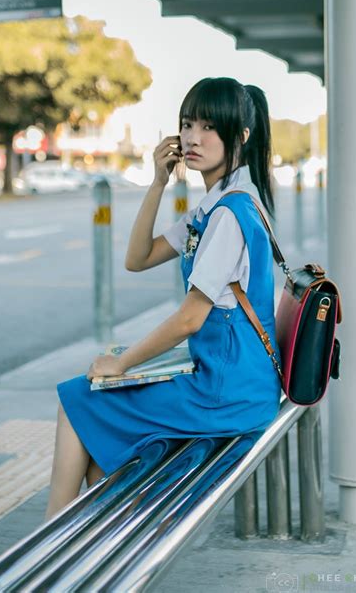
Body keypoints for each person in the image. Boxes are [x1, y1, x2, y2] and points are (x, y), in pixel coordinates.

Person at [44, 77, 282, 522]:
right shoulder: (214, 206)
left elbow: (191, 319)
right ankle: (93, 546)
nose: (193, 138)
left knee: (79, 399)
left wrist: (124, 363)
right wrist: (156, 183)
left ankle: (49, 533)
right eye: (187, 124)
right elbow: (139, 257)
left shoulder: (230, 214)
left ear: (241, 137)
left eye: (209, 127)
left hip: (225, 393)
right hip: (229, 380)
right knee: (98, 454)